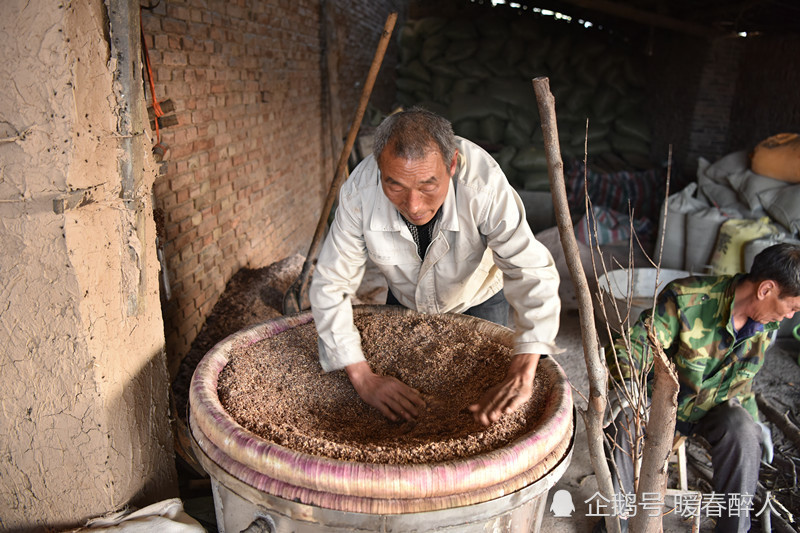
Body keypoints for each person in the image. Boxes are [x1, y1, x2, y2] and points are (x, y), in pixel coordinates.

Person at [309, 107, 562, 427]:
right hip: (405, 297)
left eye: (428, 185)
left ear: (452, 165)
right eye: (396, 185)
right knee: (401, 401)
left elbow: (530, 270)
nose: (414, 205)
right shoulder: (360, 192)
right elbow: (331, 282)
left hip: (477, 295)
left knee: (481, 399)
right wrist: (363, 378)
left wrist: (524, 368)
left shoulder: (482, 185)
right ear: (379, 168)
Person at [601, 242, 800, 533]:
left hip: (707, 412)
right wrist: (626, 383)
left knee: (744, 431)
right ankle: (617, 524)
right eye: (792, 307)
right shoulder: (688, 299)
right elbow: (635, 346)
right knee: (625, 416)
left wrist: (753, 419)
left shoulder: (763, 328)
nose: (790, 317)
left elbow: (741, 385)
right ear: (766, 289)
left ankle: (734, 528)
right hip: (656, 404)